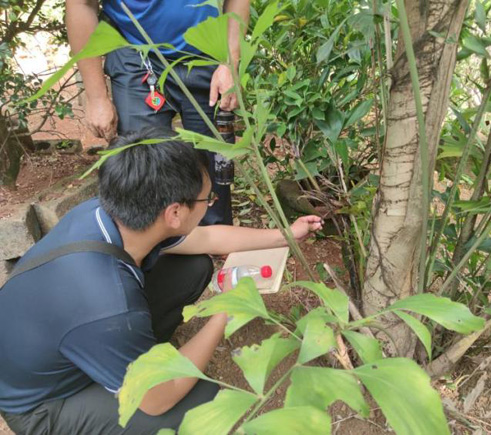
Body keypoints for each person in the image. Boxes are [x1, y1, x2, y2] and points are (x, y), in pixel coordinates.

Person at [0, 127, 323, 434]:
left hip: (65, 342)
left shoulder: (107, 212)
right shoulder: (109, 306)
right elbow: (158, 400)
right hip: (42, 404)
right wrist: (227, 308)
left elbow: (207, 238)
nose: (209, 204)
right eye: (207, 199)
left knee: (193, 268)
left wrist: (286, 235)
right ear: (174, 213)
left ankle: (125, 357)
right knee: (201, 403)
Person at [66, 0, 250, 225]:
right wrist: (96, 97)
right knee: (144, 167)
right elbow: (81, 5)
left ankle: (212, 235)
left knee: (213, 166)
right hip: (135, 53)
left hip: (206, 48)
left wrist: (230, 62)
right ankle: (156, 242)